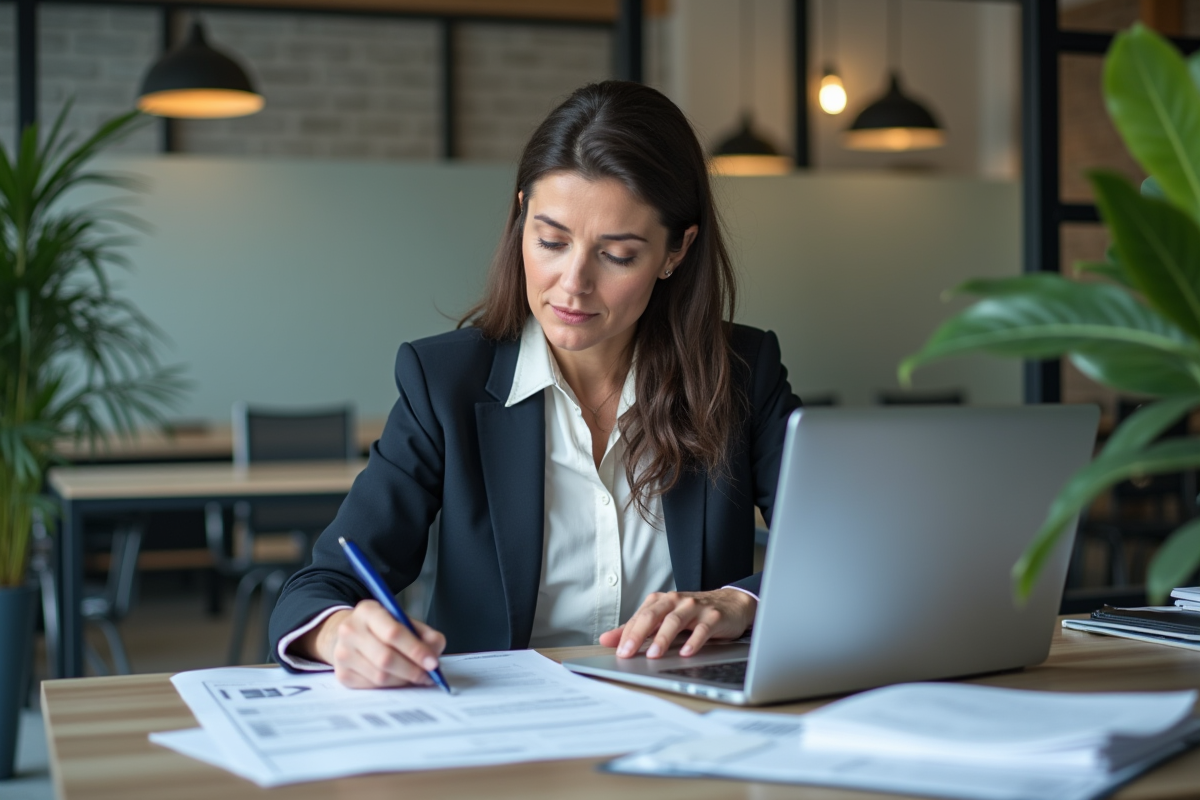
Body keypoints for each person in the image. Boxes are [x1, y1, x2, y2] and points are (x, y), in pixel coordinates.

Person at [269, 80, 800, 688]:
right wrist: (340, 633)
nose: (573, 283)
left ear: (676, 250)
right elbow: (320, 586)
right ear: (521, 217)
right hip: (500, 719)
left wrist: (741, 601)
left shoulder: (741, 372)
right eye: (551, 241)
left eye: (618, 255)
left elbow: (847, 554)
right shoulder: (443, 384)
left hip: (688, 713)